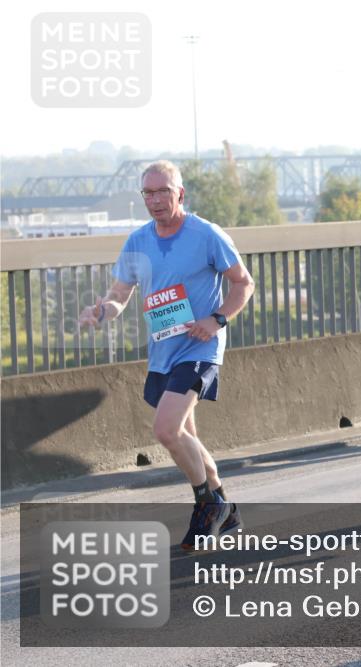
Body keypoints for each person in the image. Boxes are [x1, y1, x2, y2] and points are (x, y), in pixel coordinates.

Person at [79, 160, 255, 550]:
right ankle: (227, 506)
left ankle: (206, 505)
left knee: (166, 429)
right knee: (187, 435)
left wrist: (217, 320)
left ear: (180, 193)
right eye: (148, 193)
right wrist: (102, 310)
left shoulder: (206, 234)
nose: (155, 200)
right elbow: (120, 294)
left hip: (200, 347)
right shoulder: (138, 241)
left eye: (163, 191)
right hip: (163, 351)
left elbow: (244, 283)